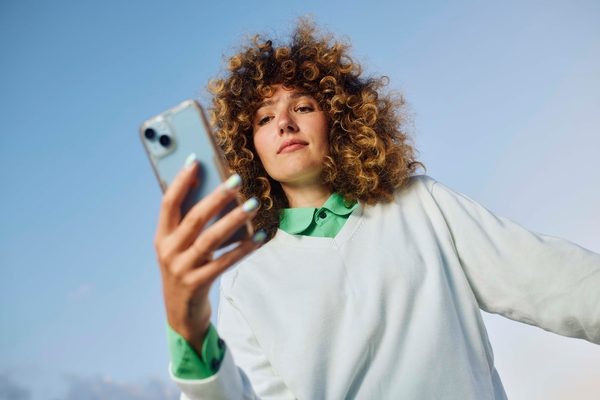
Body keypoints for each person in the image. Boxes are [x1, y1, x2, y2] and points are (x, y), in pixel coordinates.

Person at [153, 20, 600, 399]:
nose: (284, 123)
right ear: (249, 149)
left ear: (340, 121)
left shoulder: (421, 204)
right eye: (264, 118)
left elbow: (557, 283)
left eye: (302, 106)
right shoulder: (245, 283)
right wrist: (187, 331)